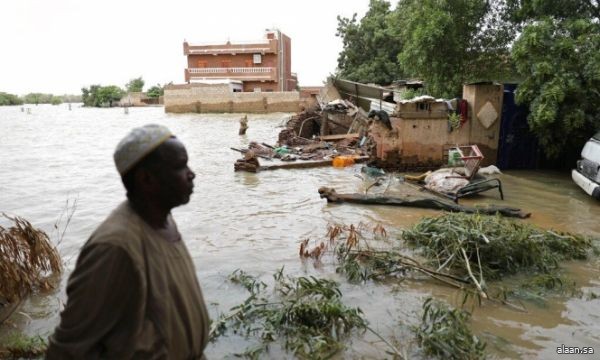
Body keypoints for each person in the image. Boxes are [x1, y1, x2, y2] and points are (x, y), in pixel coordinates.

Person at [46, 124, 210, 359]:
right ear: (146, 179)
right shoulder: (115, 247)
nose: (191, 173)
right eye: (179, 166)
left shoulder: (163, 220)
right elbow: (69, 349)